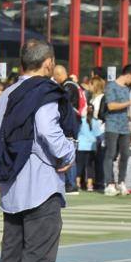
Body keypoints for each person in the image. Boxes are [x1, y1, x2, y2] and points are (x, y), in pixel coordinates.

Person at [0, 40, 74, 262]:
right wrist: (67, 153)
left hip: (11, 189)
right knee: (38, 258)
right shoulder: (44, 92)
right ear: (48, 63)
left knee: (11, 259)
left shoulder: (5, 95)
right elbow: (48, 130)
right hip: (41, 186)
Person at [103, 65, 131, 196]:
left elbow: (127, 108)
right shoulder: (111, 86)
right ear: (128, 75)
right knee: (110, 154)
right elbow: (111, 106)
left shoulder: (126, 89)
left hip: (125, 127)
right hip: (112, 126)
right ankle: (109, 183)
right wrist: (129, 103)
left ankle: (121, 182)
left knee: (125, 154)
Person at [52, 64, 83, 194]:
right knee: (70, 152)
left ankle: (70, 184)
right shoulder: (74, 84)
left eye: (55, 76)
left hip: (70, 122)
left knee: (68, 152)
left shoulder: (68, 86)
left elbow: (64, 104)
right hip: (75, 121)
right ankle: (71, 183)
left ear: (59, 75)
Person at [75, 103, 103, 191]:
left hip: (81, 146)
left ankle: (78, 184)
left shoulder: (81, 121)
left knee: (79, 165)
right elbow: (99, 135)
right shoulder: (96, 122)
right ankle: (89, 185)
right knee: (90, 166)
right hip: (91, 146)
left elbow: (77, 132)